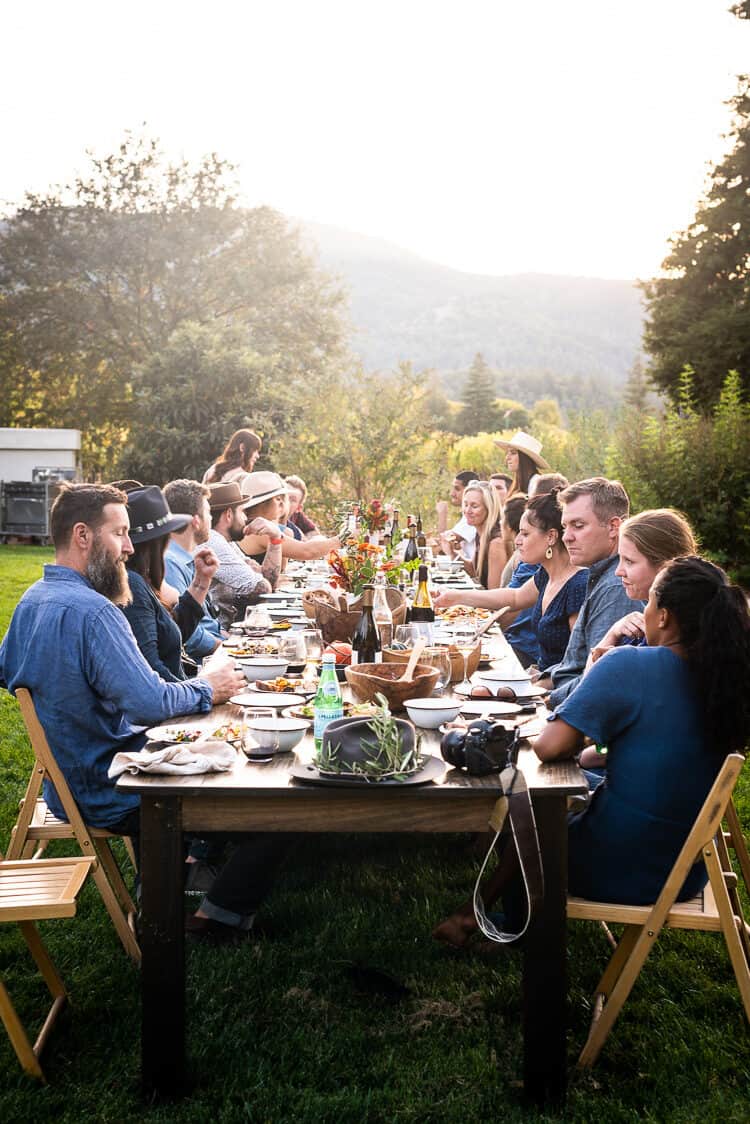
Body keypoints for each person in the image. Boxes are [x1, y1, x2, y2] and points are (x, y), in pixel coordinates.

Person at [434, 555, 750, 948]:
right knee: (567, 788)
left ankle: (503, 922)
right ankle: (474, 912)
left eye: (649, 601)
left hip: (622, 866)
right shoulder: (725, 678)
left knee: (531, 806)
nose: (644, 611)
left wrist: (604, 655)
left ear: (665, 616)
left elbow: (550, 747)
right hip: (684, 867)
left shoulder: (632, 665)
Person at [0, 483, 244, 834]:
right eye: (119, 533)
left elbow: (7, 673)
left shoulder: (32, 599)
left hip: (66, 787)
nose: (129, 548)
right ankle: (201, 886)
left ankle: (182, 873)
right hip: (113, 789)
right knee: (264, 802)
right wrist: (208, 687)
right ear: (82, 535)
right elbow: (149, 702)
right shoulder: (96, 613)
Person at [434, 490, 588, 673]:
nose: (517, 541)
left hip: (554, 689)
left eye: (525, 534)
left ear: (551, 537)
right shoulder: (546, 575)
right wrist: (455, 596)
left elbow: (578, 663)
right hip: (539, 676)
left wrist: (541, 681)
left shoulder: (577, 584)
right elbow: (515, 597)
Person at [542, 477, 643, 708]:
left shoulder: (617, 587)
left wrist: (542, 700)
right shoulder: (599, 574)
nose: (566, 536)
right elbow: (574, 665)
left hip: (579, 725)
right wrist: (530, 683)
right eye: (565, 526)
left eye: (578, 526)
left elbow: (598, 682)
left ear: (613, 527)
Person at [121, 487, 218, 682]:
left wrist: (200, 582)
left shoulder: (140, 579)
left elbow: (171, 637)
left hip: (178, 695)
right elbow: (152, 669)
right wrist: (207, 688)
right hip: (174, 704)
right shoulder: (133, 585)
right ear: (159, 541)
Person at [588, 508, 697, 661]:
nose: (618, 571)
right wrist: (614, 631)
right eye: (620, 559)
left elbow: (590, 681)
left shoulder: (666, 638)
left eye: (629, 561)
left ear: (664, 567)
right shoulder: (638, 628)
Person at [163, 478, 225, 662]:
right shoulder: (170, 563)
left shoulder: (187, 559)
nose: (211, 518)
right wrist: (226, 649)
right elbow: (185, 633)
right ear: (196, 521)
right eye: (208, 512)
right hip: (200, 667)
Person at [206, 481, 277, 626]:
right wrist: (255, 574)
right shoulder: (214, 542)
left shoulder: (227, 542)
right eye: (242, 511)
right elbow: (262, 588)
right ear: (229, 515)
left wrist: (275, 538)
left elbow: (267, 578)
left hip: (225, 629)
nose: (245, 518)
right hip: (218, 634)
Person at [238, 472, 340, 566]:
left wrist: (282, 526)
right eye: (279, 498)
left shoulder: (257, 525)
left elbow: (281, 568)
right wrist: (344, 537)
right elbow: (308, 551)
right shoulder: (259, 531)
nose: (282, 503)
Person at [459, 481, 506, 589]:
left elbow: (494, 595)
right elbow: (476, 572)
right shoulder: (480, 533)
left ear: (489, 509)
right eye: (465, 505)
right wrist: (453, 553)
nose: (467, 510)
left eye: (474, 506)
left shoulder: (496, 543)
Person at [436, 470, 479, 561]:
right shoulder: (466, 516)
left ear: (469, 490)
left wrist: (442, 514)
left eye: (457, 489)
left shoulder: (474, 516)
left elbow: (444, 542)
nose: (452, 493)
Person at [493, 431, 550, 497]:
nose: (507, 458)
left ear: (524, 458)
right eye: (507, 453)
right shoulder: (517, 484)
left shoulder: (536, 483)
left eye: (513, 453)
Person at [285, 474, 320, 539]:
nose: (286, 500)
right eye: (284, 495)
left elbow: (314, 532)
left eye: (292, 499)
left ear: (298, 508)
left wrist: (304, 539)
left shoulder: (297, 516)